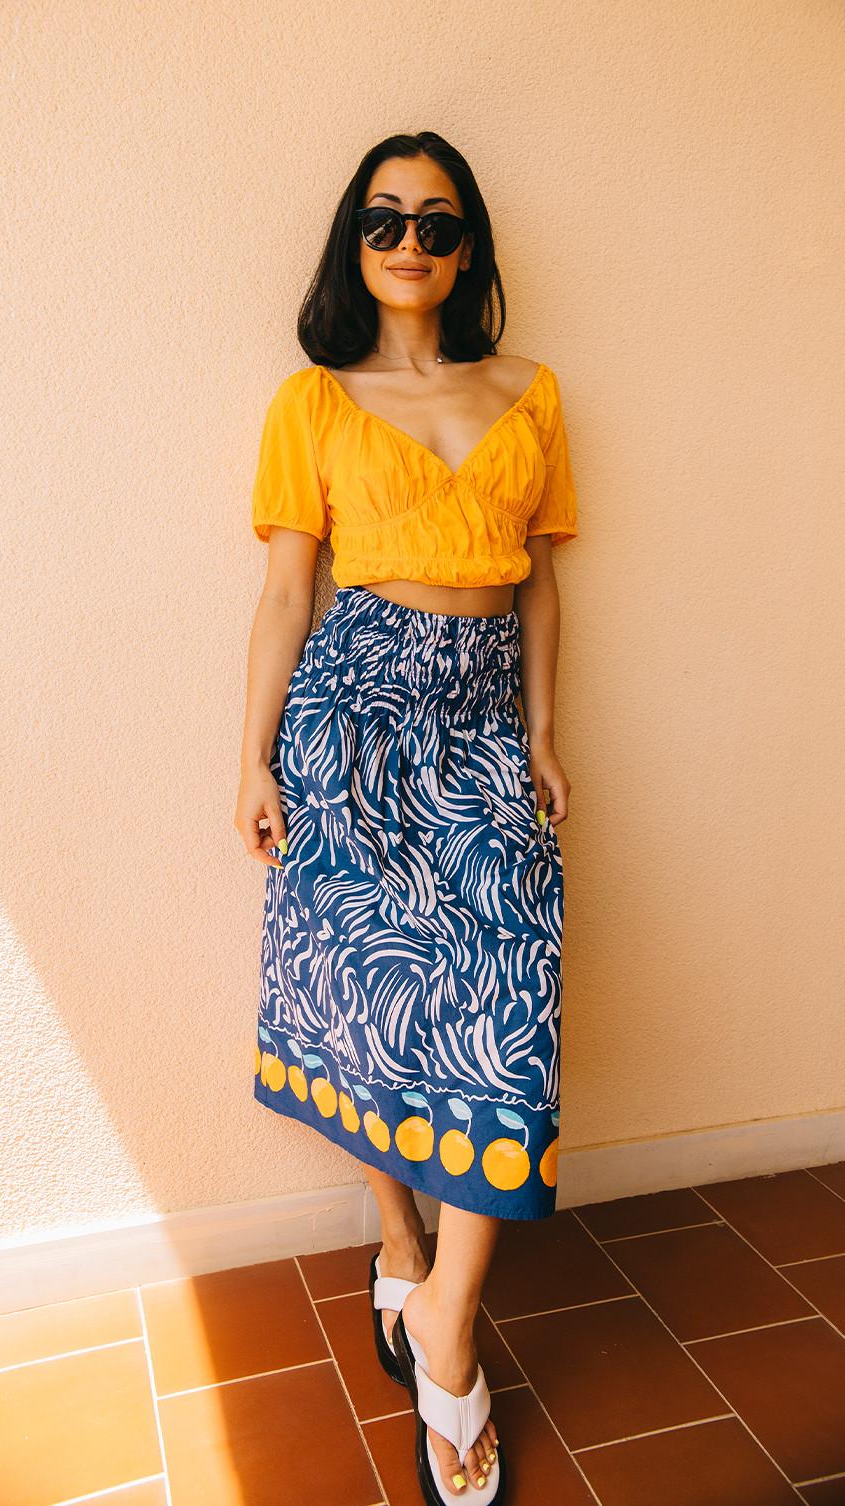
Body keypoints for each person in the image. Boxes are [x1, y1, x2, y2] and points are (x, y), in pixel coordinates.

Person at [236, 129, 577, 1505]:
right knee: (370, 992)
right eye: (384, 221)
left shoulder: (535, 394)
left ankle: (442, 1304)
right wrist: (251, 757)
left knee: (510, 985)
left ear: (469, 244)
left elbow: (546, 584)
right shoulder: (311, 402)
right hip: (352, 709)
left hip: (488, 715)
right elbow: (284, 594)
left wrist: (546, 734)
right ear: (353, 244)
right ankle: (402, 1239)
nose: (411, 243)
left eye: (437, 223)